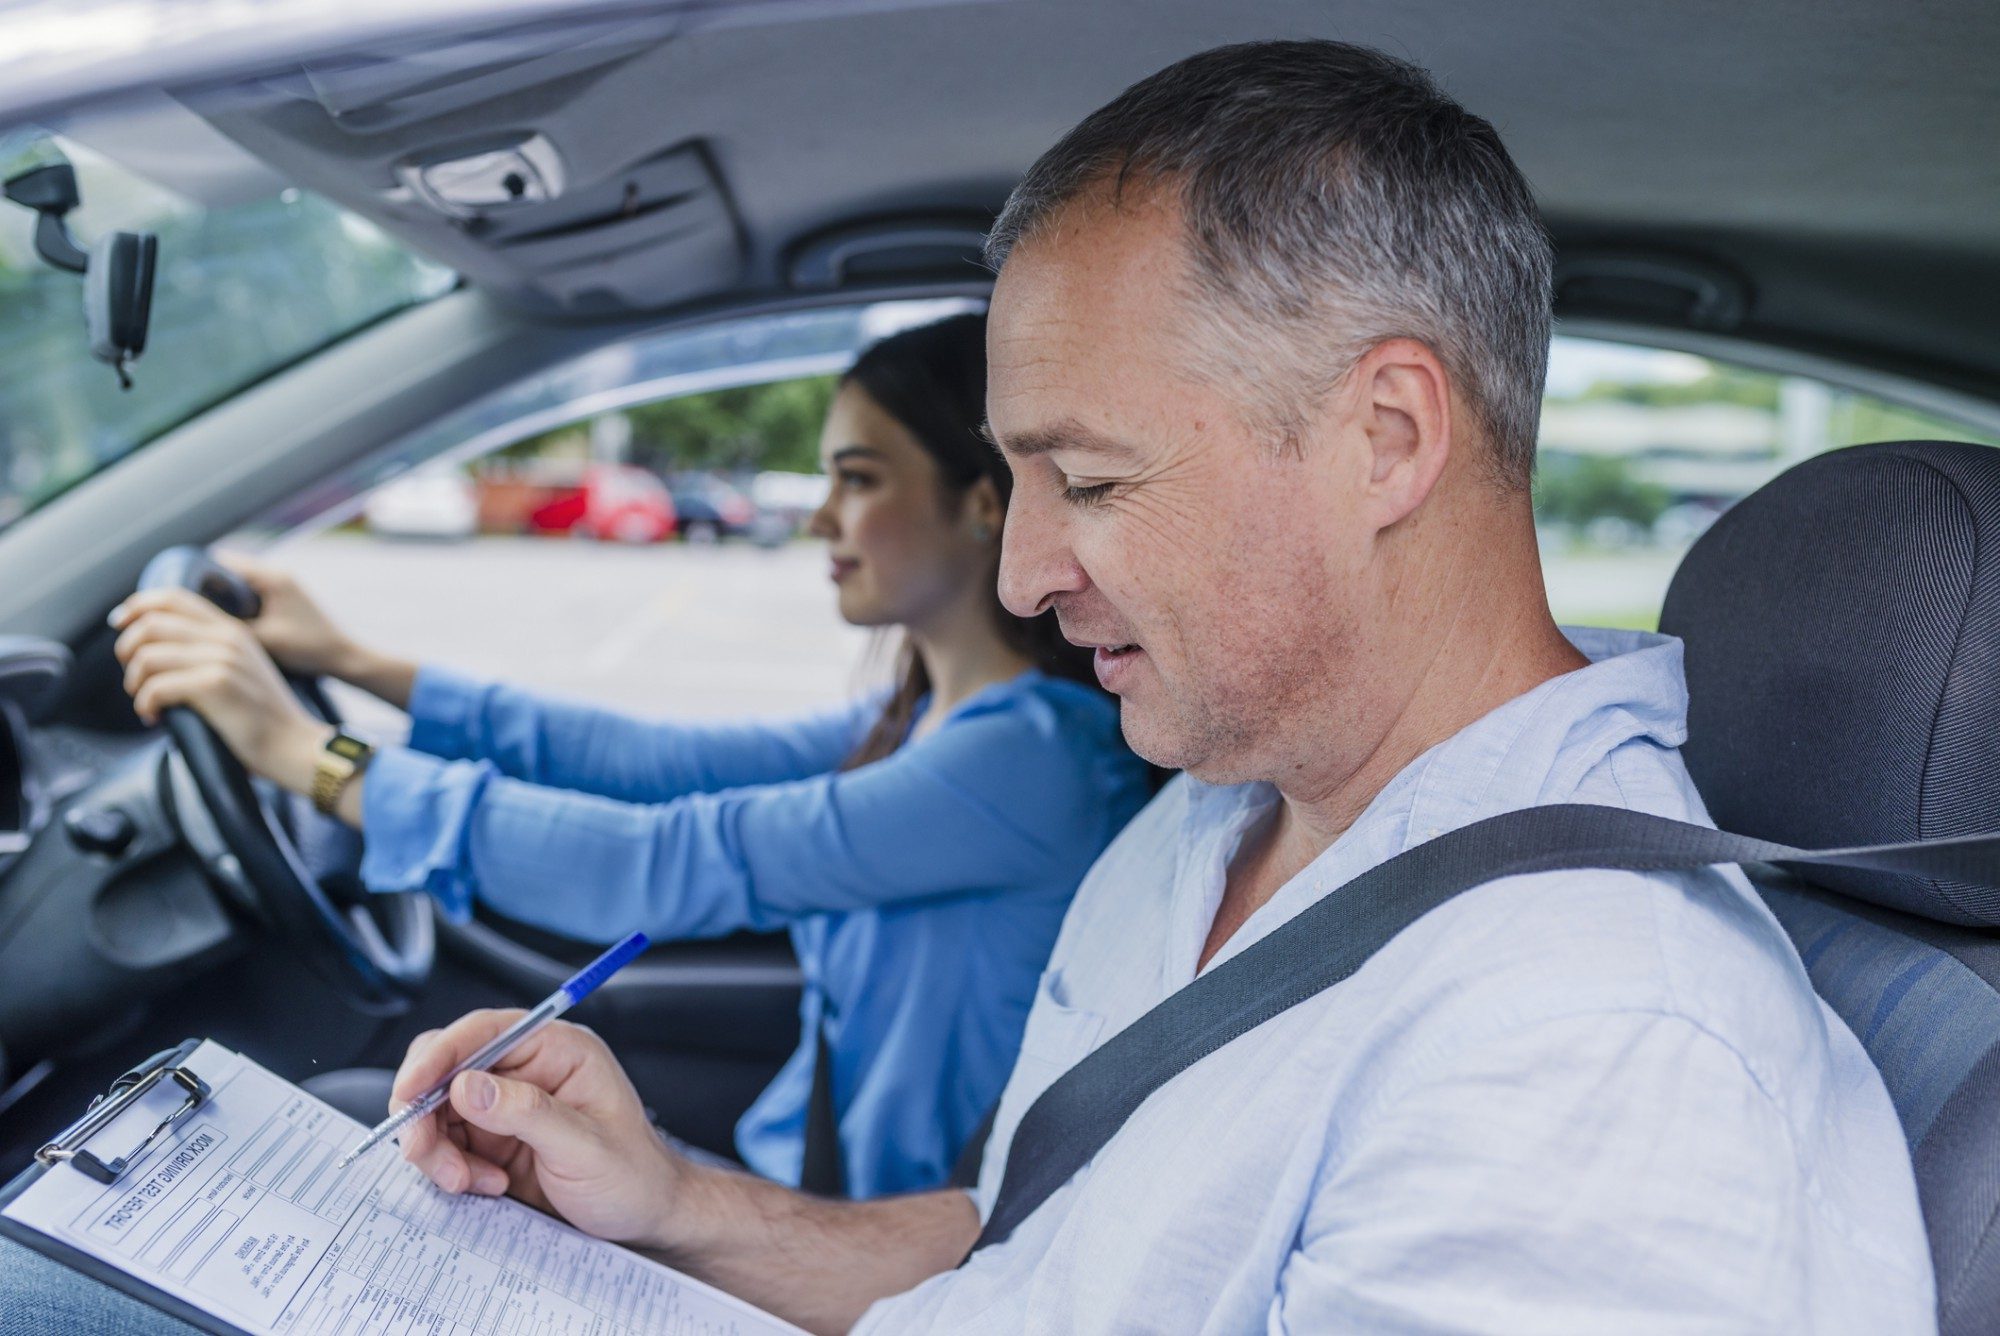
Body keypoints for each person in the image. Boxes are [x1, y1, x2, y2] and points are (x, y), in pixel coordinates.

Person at [6, 38, 1931, 1335]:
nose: (1023, 571)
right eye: (1018, 488)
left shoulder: (1598, 1050)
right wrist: (672, 1204)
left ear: (1389, 433)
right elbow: (1032, 1246)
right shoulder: (1217, 822)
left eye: (1091, 483)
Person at [108, 313, 1155, 1201]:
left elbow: (666, 860)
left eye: (859, 478)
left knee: (344, 1135)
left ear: (982, 504)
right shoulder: (922, 718)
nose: (821, 515)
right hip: (801, 1172)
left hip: (871, 1246)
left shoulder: (1029, 761)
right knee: (361, 1129)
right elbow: (657, 764)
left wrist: (308, 756)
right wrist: (354, 662)